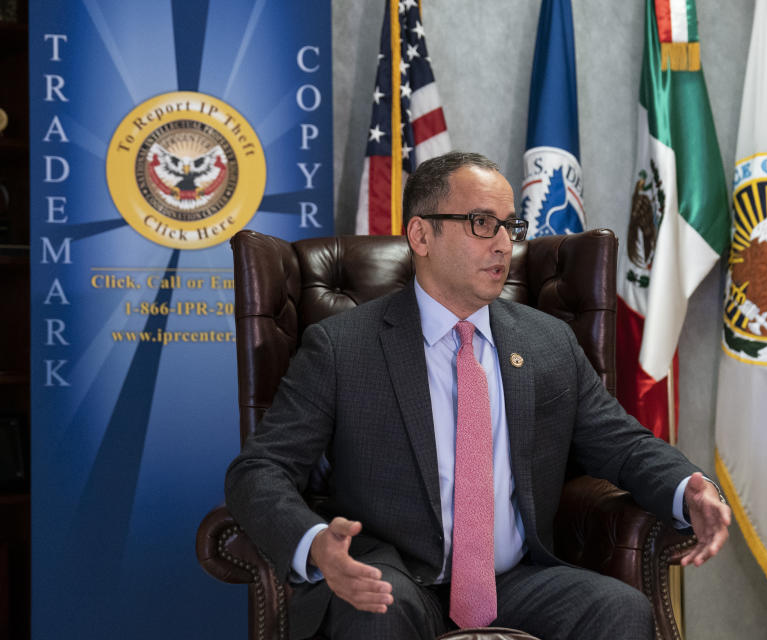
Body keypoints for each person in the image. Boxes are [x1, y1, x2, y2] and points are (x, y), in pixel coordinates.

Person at [225, 151, 731, 640]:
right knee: (377, 606)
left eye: (509, 226)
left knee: (619, 609)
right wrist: (317, 547)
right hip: (396, 576)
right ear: (421, 235)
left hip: (516, 580)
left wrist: (688, 486)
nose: (503, 244)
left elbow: (619, 442)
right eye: (481, 223)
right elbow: (259, 470)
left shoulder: (548, 341)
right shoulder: (342, 347)